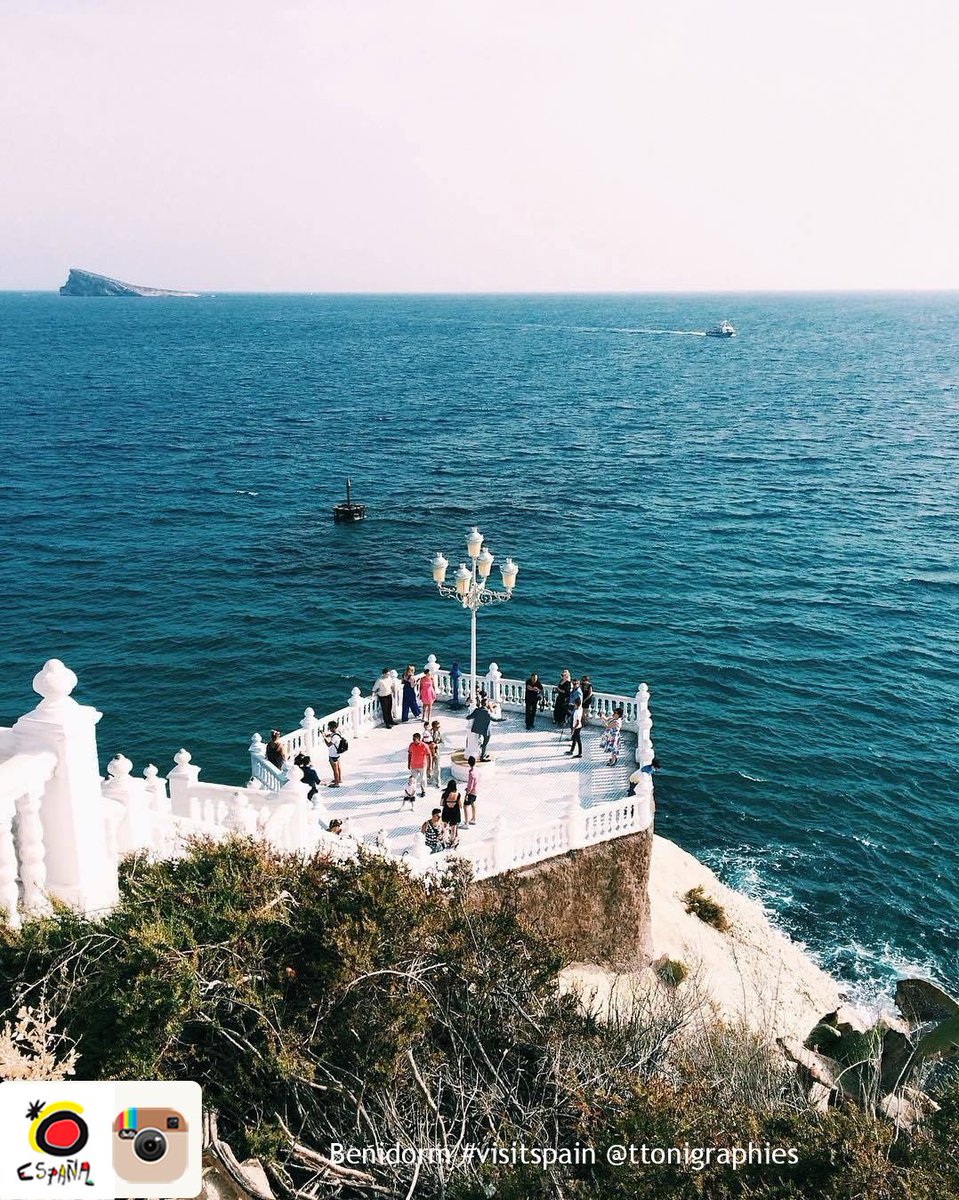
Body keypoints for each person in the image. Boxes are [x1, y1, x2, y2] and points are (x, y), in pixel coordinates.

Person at [407, 732, 431, 797]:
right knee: (413, 779)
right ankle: (412, 791)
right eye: (413, 739)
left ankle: (423, 791)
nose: (413, 740)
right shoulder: (411, 745)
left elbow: (429, 755)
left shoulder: (424, 746)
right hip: (413, 765)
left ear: (419, 739)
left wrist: (430, 766)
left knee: (422, 779)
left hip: (422, 766)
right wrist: (409, 763)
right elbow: (409, 754)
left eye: (415, 739)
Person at [440, 779, 462, 847]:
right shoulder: (458, 795)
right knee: (453, 828)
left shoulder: (444, 794)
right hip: (455, 812)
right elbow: (461, 806)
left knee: (444, 826)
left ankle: (444, 839)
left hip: (446, 811)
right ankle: (452, 841)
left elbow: (441, 804)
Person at [324, 720, 345, 787]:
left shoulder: (335, 737)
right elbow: (331, 735)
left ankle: (336, 783)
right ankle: (339, 779)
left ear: (333, 727)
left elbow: (328, 744)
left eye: (330, 728)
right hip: (337, 753)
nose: (329, 729)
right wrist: (327, 735)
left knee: (335, 769)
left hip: (333, 754)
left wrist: (324, 738)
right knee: (338, 767)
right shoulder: (338, 732)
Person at [428, 719, 443, 786]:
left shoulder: (439, 733)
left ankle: (438, 781)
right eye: (437, 727)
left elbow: (442, 743)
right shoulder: (428, 733)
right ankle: (430, 778)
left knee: (437, 768)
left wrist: (436, 745)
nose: (438, 728)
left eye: (439, 727)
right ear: (433, 727)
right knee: (429, 766)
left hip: (436, 752)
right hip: (429, 753)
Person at [464, 755, 479, 826]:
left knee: (465, 806)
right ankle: (474, 819)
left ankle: (466, 823)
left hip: (471, 792)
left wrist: (467, 793)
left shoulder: (471, 773)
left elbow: (470, 785)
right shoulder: (476, 770)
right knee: (473, 804)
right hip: (476, 790)